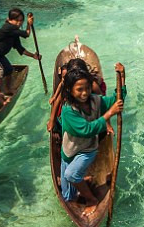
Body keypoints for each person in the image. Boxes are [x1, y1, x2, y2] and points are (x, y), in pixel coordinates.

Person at [59, 63, 126, 214]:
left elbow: (117, 100)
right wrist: (109, 114)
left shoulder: (95, 100)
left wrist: (122, 77)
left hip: (87, 149)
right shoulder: (68, 110)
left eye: (87, 88)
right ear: (70, 90)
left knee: (70, 174)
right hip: (69, 151)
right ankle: (82, 178)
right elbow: (86, 129)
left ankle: (91, 199)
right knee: (67, 196)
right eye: (79, 89)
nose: (84, 93)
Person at [0, 8, 41, 95]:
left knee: (9, 70)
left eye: (21, 21)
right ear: (9, 20)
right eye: (16, 20)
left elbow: (20, 49)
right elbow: (26, 34)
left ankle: (7, 89)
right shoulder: (9, 28)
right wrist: (28, 24)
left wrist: (33, 56)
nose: (19, 23)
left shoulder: (14, 33)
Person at [47, 57, 107, 133]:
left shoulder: (92, 84)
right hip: (75, 108)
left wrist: (105, 121)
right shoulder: (68, 82)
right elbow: (59, 98)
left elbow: (102, 102)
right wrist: (52, 120)